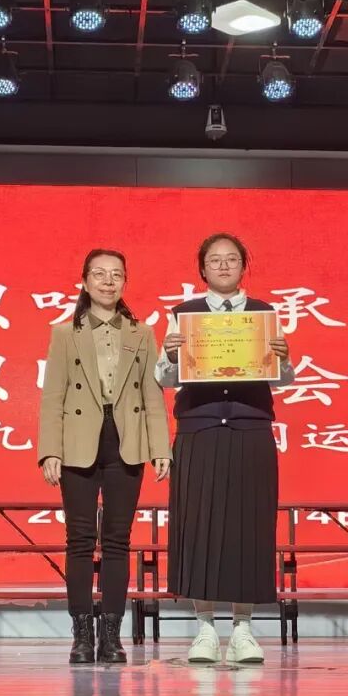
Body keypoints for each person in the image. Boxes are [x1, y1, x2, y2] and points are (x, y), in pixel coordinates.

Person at [156, 233, 293, 664]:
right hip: (199, 430)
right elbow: (163, 379)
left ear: (242, 266)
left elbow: (282, 379)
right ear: (202, 269)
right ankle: (204, 630)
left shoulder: (264, 314)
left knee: (249, 526)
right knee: (198, 526)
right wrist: (172, 357)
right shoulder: (184, 316)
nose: (223, 266)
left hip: (250, 429)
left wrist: (284, 358)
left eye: (231, 259)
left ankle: (243, 630)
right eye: (215, 260)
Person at [38, 249, 171, 665]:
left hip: (125, 439)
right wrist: (49, 450)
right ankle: (81, 635)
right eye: (100, 274)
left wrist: (160, 447)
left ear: (125, 281)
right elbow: (53, 396)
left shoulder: (141, 333)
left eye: (116, 275)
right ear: (85, 281)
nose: (108, 282)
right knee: (79, 540)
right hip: (78, 440)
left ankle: (111, 635)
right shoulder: (65, 333)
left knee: (117, 540)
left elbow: (152, 394)